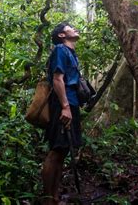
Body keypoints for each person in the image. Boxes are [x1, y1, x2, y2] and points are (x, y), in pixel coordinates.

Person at [42, 22, 82, 205]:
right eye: (70, 27)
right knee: (56, 151)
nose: (75, 29)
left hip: (71, 105)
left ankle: (55, 197)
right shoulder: (60, 49)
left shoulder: (71, 53)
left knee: (63, 151)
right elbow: (58, 79)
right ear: (61, 35)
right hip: (62, 105)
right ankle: (48, 198)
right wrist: (65, 106)